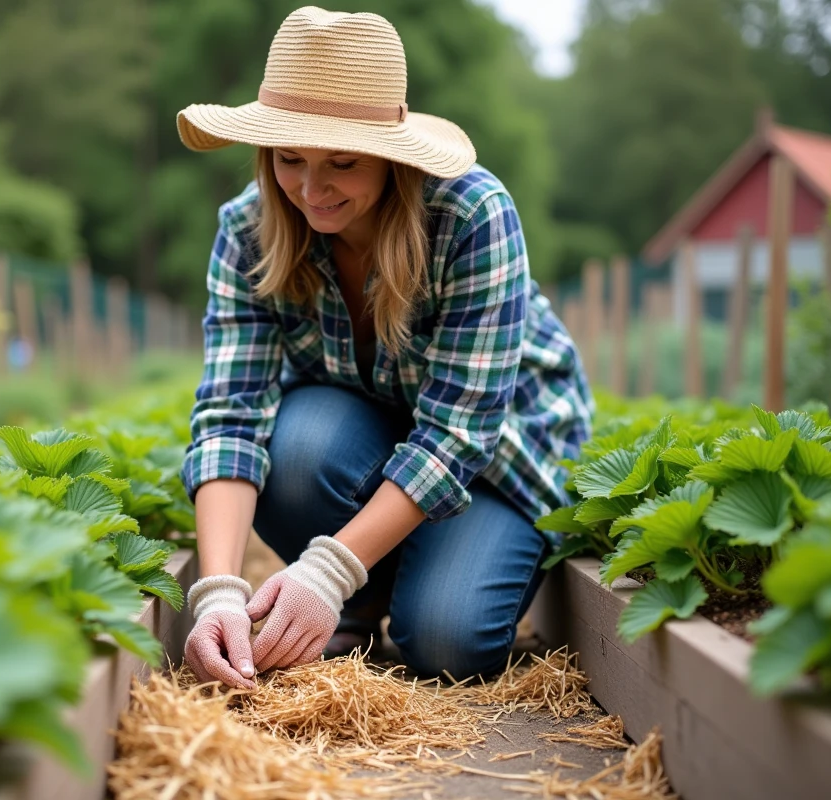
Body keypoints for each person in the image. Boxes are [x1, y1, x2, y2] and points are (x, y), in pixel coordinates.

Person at [175, 6, 593, 691]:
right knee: (300, 447)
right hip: (361, 435)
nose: (311, 189)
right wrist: (217, 591)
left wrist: (325, 569)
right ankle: (368, 596)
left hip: (496, 454)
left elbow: (458, 435)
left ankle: (385, 574)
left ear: (392, 158)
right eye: (289, 159)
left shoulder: (469, 216)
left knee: (446, 644)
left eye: (342, 162)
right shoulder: (246, 232)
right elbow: (229, 415)